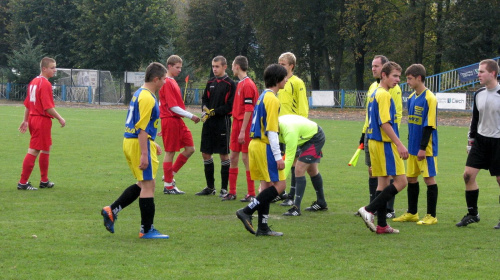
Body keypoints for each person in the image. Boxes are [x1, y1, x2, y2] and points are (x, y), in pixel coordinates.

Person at [101, 62, 169, 239]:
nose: (164, 82)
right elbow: (141, 128)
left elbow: (138, 126)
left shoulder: (140, 93)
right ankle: (147, 230)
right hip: (138, 143)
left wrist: (152, 144)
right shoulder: (147, 97)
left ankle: (112, 210)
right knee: (148, 185)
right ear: (156, 79)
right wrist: (145, 152)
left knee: (143, 184)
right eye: (163, 79)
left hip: (131, 141)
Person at [357, 61, 409, 234]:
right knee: (401, 182)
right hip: (383, 142)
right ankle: (369, 209)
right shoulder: (385, 95)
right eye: (394, 76)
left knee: (383, 182)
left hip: (373, 141)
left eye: (399, 77)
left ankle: (381, 225)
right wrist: (399, 144)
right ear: (384, 75)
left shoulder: (375, 92)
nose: (397, 80)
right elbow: (385, 123)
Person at [236, 64, 288, 236]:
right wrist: (278, 156)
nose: (286, 80)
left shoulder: (262, 96)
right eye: (285, 77)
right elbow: (272, 131)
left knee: (265, 186)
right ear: (278, 79)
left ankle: (263, 227)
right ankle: (246, 211)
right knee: (280, 185)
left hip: (255, 144)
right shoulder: (273, 99)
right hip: (264, 146)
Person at [392, 64, 439, 225]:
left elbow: (429, 125)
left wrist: (422, 148)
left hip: (425, 149)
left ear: (419, 78)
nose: (407, 82)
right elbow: (413, 125)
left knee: (429, 179)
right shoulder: (411, 98)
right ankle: (412, 213)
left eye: (410, 78)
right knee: (411, 179)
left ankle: (431, 215)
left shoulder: (430, 98)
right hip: (412, 148)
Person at [456, 59, 500, 229]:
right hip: (481, 141)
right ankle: (473, 214)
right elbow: (475, 119)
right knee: (468, 175)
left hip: (498, 143)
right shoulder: (479, 94)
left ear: (493, 73)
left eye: (481, 72)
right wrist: (470, 141)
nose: (478, 75)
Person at [17, 57, 66, 190]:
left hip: (34, 118)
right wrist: (60, 118)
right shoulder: (45, 84)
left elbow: (28, 104)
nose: (54, 70)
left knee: (45, 148)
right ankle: (23, 183)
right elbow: (48, 107)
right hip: (41, 120)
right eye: (52, 68)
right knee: (33, 150)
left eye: (55, 67)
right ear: (44, 69)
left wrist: (26, 120)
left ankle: (44, 181)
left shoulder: (34, 81)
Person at [158, 55, 200, 195]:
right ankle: (168, 186)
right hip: (171, 119)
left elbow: (161, 104)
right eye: (177, 67)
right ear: (169, 67)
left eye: (181, 67)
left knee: (190, 149)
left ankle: (169, 175)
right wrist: (191, 116)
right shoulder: (167, 82)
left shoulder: (172, 81)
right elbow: (172, 107)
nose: (180, 70)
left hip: (176, 121)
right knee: (170, 152)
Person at [196, 56, 236, 197]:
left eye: (217, 66)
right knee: (205, 152)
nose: (214, 69)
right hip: (208, 122)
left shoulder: (230, 84)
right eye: (213, 66)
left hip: (222, 122)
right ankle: (210, 187)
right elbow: (204, 99)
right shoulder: (210, 82)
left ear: (224, 67)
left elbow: (230, 106)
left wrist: (215, 111)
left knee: (223, 154)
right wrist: (205, 108)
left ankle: (224, 189)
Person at [222, 56, 259, 202]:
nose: (231, 68)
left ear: (237, 66)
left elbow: (249, 110)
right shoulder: (241, 83)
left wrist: (243, 130)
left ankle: (251, 193)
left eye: (232, 65)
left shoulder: (248, 84)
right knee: (233, 157)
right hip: (237, 123)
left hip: (245, 124)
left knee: (245, 157)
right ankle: (232, 192)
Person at [276, 52, 310, 206]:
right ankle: (281, 192)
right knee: (281, 160)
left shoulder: (297, 83)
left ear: (291, 66)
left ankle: (292, 194)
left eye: (283, 64)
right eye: (279, 64)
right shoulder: (279, 82)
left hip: (293, 128)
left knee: (294, 162)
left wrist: (301, 127)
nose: (280, 66)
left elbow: (303, 107)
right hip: (280, 128)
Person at [279, 114, 328, 217]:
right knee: (312, 171)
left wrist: (281, 178)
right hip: (306, 137)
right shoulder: (274, 127)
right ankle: (321, 202)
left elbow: (289, 158)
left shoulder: (289, 131)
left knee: (299, 169)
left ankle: (296, 208)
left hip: (315, 138)